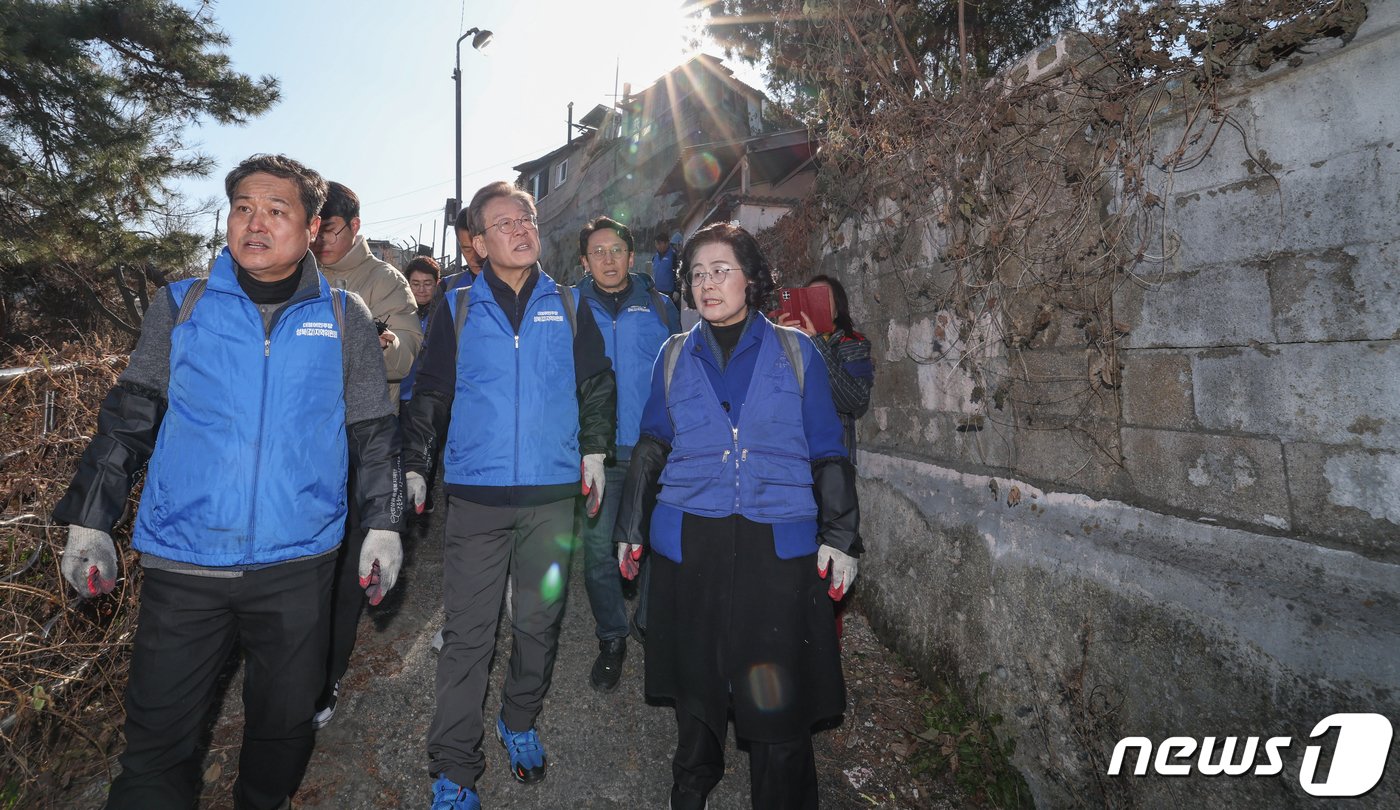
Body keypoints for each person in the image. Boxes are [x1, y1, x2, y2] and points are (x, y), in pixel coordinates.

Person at [52, 154, 404, 810]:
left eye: (276, 210)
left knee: (284, 726)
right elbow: (130, 416)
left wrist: (383, 523)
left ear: (312, 227)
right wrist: (89, 519)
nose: (255, 222)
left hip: (299, 565)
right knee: (156, 746)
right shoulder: (181, 304)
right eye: (243, 207)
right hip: (186, 561)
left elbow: (373, 432)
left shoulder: (346, 316)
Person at [615, 222, 859, 809]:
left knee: (776, 692)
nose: (707, 283)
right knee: (696, 686)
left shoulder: (797, 353)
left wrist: (842, 535)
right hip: (690, 541)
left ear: (751, 279)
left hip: (776, 545)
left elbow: (829, 449)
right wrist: (629, 527)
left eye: (721, 269)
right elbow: (651, 445)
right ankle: (692, 785)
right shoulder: (674, 356)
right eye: (696, 274)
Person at [400, 181, 616, 810]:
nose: (521, 228)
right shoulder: (458, 306)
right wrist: (416, 462)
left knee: (539, 625)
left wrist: (595, 451)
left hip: (553, 499)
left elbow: (597, 385)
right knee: (468, 635)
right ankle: (455, 770)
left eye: (526, 217)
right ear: (476, 242)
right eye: (503, 223)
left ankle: (518, 720)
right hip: (477, 499)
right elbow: (432, 391)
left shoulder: (570, 304)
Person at [310, 180, 424, 729]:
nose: (319, 242)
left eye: (328, 231)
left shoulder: (383, 280)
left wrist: (379, 343)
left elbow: (406, 351)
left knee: (344, 563)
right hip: (303, 440)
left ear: (354, 226)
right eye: (314, 230)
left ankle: (328, 674)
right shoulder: (297, 269)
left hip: (363, 442)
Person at [573, 216, 680, 693]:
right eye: (598, 251)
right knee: (597, 553)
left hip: (654, 449)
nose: (609, 259)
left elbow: (682, 373)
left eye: (617, 249)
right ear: (584, 260)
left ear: (631, 257)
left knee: (659, 545)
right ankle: (612, 636)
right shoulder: (567, 304)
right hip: (597, 453)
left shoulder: (659, 304)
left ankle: (650, 623)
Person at [774, 275, 874, 459]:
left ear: (837, 311)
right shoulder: (785, 342)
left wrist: (816, 343)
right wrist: (778, 342)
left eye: (821, 298)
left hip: (829, 458)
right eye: (809, 297)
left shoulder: (851, 344)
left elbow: (853, 401)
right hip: (788, 453)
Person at [440, 206, 485, 294]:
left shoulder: (516, 284)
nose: (476, 257)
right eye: (468, 249)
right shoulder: (447, 288)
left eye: (481, 247)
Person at [650, 232, 679, 307]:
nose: (657, 246)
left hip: (670, 294)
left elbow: (678, 273)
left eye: (659, 243)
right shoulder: (655, 257)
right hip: (657, 292)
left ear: (666, 243)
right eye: (656, 244)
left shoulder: (673, 256)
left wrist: (677, 290)